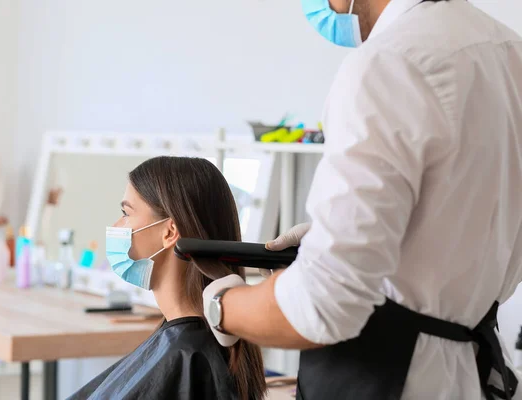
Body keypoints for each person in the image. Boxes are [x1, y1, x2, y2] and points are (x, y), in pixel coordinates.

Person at [201, 0, 522, 399]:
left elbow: (322, 306)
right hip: (471, 373)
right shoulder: (509, 51)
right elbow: (467, 223)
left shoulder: (389, 61)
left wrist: (222, 305)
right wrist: (336, 239)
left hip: (392, 377)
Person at [69, 156, 266, 400]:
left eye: (126, 213)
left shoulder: (189, 354)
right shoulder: (189, 343)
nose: (116, 225)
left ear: (170, 232)